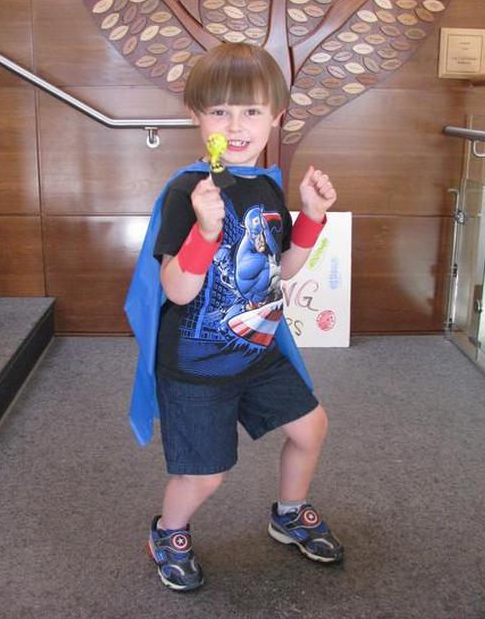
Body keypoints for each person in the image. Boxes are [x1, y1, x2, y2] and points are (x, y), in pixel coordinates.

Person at [126, 42, 343, 592]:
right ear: (196, 116)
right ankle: (168, 532)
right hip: (197, 366)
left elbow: (281, 270)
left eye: (251, 110)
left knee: (311, 428)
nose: (237, 125)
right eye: (220, 110)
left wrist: (312, 218)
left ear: (277, 116)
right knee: (205, 475)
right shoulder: (188, 191)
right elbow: (176, 288)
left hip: (258, 353)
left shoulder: (266, 185)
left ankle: (289, 513)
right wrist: (204, 232)